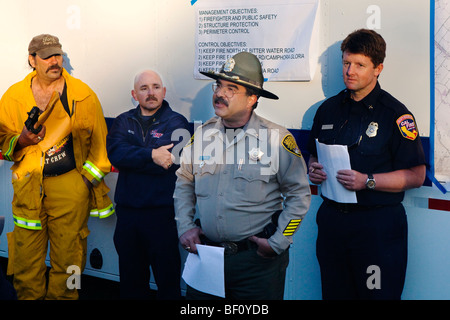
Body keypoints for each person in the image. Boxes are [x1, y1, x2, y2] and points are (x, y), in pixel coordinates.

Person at [174, 51, 311, 300]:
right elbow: (184, 182)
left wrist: (279, 241)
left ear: (252, 99)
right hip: (207, 258)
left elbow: (299, 195)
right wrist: (184, 226)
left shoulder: (276, 139)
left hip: (256, 265)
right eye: (218, 86)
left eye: (231, 88)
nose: (220, 94)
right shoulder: (202, 137)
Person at [307, 29, 426, 300]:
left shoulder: (395, 114)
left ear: (378, 68)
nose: (350, 71)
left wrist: (367, 180)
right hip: (333, 224)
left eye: (360, 65)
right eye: (346, 63)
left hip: (376, 229)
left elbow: (416, 175)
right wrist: (313, 168)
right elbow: (313, 153)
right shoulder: (328, 109)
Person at [0, 34, 114, 300]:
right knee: (26, 261)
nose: (54, 61)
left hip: (71, 187)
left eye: (58, 55)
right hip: (28, 188)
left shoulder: (83, 95)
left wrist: (83, 183)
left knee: (71, 259)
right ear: (32, 60)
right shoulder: (13, 96)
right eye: (47, 56)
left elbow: (100, 146)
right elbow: (3, 138)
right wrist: (21, 140)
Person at [106, 70, 189, 299]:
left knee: (168, 284)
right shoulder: (124, 120)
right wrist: (152, 155)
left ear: (163, 91)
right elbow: (115, 154)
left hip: (162, 217)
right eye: (144, 88)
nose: (150, 93)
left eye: (155, 87)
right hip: (128, 217)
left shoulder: (178, 122)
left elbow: (172, 162)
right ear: (135, 94)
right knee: (132, 285)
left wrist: (135, 157)